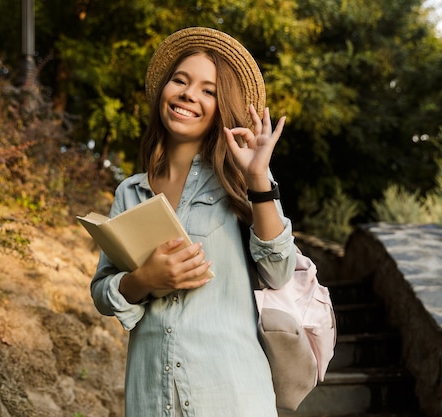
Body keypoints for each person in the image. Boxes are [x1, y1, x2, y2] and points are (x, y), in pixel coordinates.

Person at [90, 27, 297, 417]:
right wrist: (146, 280)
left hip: (230, 398)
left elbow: (279, 270)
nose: (188, 94)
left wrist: (258, 179)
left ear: (223, 108)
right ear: (164, 91)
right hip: (151, 399)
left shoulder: (239, 183)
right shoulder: (129, 193)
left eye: (208, 90)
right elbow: (102, 291)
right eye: (180, 81)